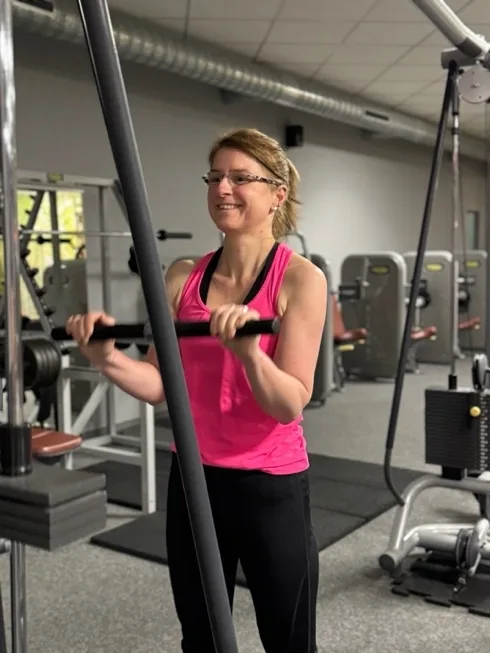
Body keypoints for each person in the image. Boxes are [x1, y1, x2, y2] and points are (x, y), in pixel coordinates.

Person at [66, 128, 328, 653]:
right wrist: (106, 357)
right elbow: (159, 385)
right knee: (202, 638)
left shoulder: (301, 279)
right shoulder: (183, 276)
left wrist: (250, 354)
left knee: (289, 639)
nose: (223, 188)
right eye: (215, 177)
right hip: (194, 481)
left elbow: (289, 403)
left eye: (240, 177)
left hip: (270, 484)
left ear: (277, 194)